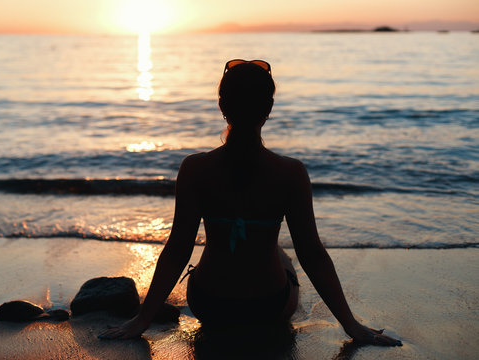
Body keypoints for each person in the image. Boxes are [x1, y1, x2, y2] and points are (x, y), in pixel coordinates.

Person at [100, 59, 402, 346]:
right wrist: (352, 326)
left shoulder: (194, 168)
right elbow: (312, 254)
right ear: (268, 108)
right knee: (282, 252)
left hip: (209, 304)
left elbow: (178, 248)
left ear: (222, 106)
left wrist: (142, 320)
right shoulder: (291, 172)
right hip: (268, 308)